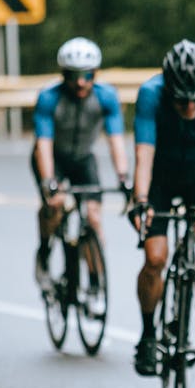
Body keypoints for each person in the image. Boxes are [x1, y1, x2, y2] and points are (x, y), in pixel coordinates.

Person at [128, 39, 195, 377]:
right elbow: (143, 154)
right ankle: (147, 336)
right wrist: (141, 200)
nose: (190, 107)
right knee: (155, 257)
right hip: (160, 176)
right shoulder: (151, 94)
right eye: (181, 100)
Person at [31, 37, 129, 294]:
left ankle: (96, 282)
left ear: (95, 73)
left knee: (94, 218)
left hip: (84, 158)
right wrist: (49, 181)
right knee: (54, 204)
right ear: (64, 74)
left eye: (87, 75)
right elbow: (43, 143)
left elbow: (116, 139)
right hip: (54, 157)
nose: (80, 82)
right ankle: (44, 250)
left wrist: (123, 176)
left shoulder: (107, 97)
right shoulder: (48, 98)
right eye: (73, 76)